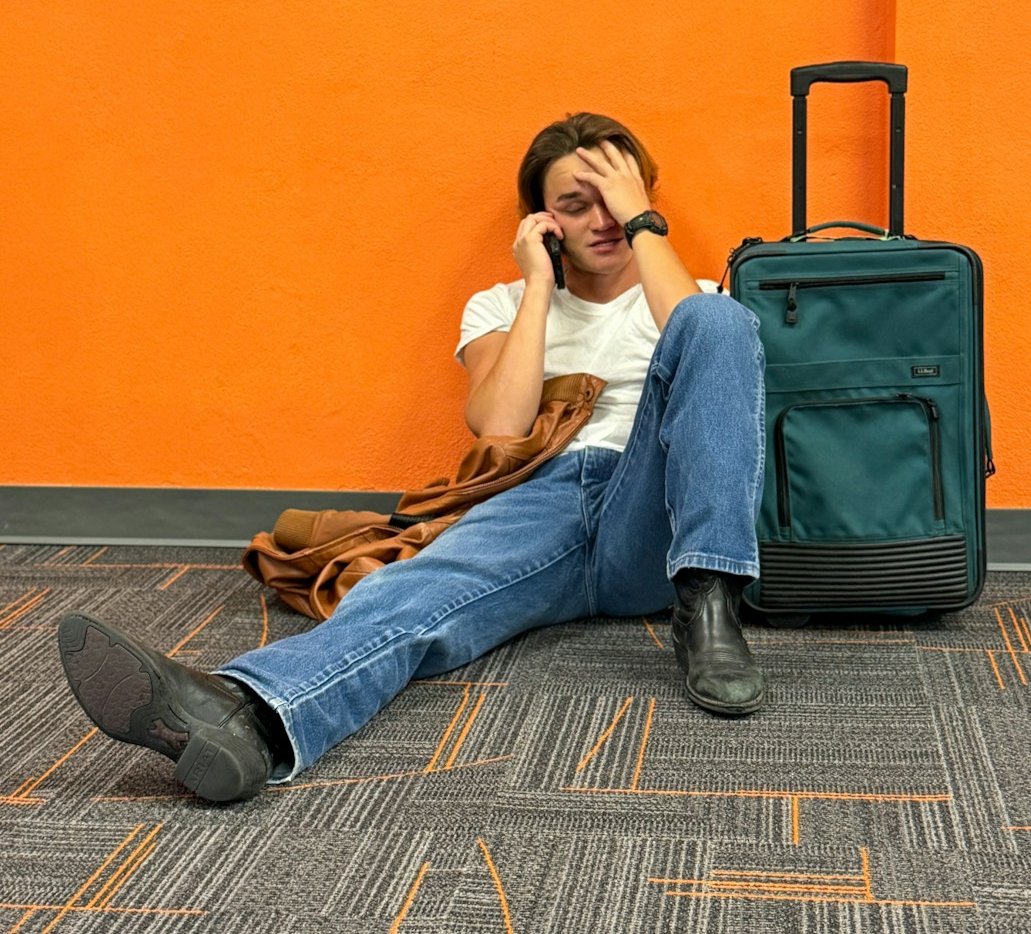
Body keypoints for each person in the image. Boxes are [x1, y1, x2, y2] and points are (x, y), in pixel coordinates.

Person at [57, 112, 767, 804]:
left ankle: (710, 607)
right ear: (542, 223)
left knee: (718, 321)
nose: (601, 221)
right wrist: (539, 289)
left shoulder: (695, 298)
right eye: (574, 207)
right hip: (540, 500)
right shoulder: (501, 305)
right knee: (418, 594)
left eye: (613, 201)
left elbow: (698, 339)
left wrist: (642, 223)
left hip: (650, 513)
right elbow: (498, 427)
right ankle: (248, 716)